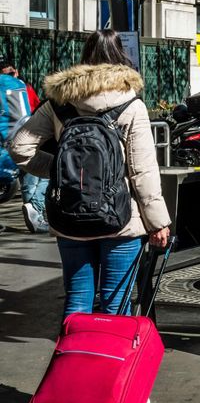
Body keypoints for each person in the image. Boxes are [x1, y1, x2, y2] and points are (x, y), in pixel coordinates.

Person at [9, 30, 172, 317]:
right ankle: (110, 362)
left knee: (77, 300)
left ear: (84, 59)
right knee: (116, 303)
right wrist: (158, 222)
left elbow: (20, 147)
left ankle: (73, 360)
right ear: (121, 57)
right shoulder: (131, 105)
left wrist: (61, 171)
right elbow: (142, 170)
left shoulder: (59, 103)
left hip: (69, 216)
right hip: (121, 219)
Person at [1, 61, 50, 233]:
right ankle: (35, 210)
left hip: (6, 142)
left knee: (29, 178)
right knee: (42, 174)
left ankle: (34, 214)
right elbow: (35, 108)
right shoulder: (21, 86)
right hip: (25, 136)